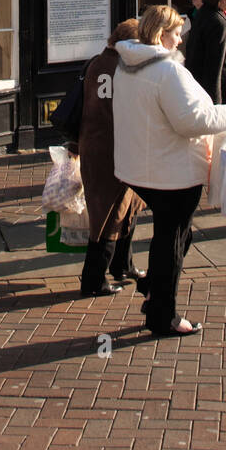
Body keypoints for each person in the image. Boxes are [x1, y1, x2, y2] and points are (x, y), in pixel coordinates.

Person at [112, 5, 226, 337]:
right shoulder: (167, 72)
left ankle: (154, 293)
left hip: (140, 169)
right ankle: (163, 315)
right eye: (175, 33)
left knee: (175, 235)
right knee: (171, 239)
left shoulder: (126, 68)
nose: (180, 40)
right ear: (160, 35)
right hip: (172, 172)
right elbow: (191, 121)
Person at [75, 19, 146, 298]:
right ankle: (93, 280)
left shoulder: (95, 64)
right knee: (108, 213)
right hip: (114, 147)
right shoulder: (127, 68)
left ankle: (122, 264)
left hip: (96, 145)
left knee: (129, 204)